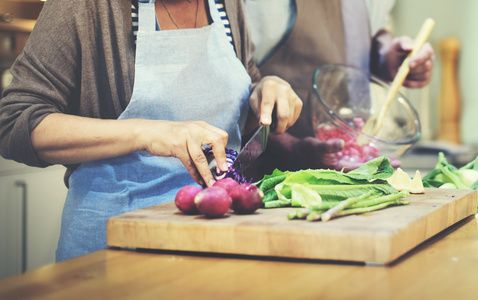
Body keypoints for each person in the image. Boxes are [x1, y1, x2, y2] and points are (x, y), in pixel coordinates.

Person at [0, 0, 302, 261]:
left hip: (219, 234)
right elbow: (13, 119)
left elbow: (240, 92)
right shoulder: (86, 6)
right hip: (118, 245)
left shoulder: (227, 4)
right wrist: (148, 133)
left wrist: (265, 89)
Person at [243, 0, 435, 177]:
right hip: (269, 177)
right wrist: (291, 148)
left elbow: (375, 27)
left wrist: (387, 56)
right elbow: (236, 79)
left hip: (352, 173)